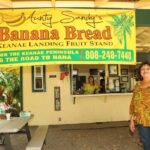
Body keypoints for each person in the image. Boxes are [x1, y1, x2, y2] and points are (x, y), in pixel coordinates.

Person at [129, 61, 150, 150]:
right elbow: (133, 103)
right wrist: (131, 120)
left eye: (148, 68)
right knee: (145, 141)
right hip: (141, 119)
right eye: (143, 69)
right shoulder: (137, 85)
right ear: (140, 72)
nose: (145, 70)